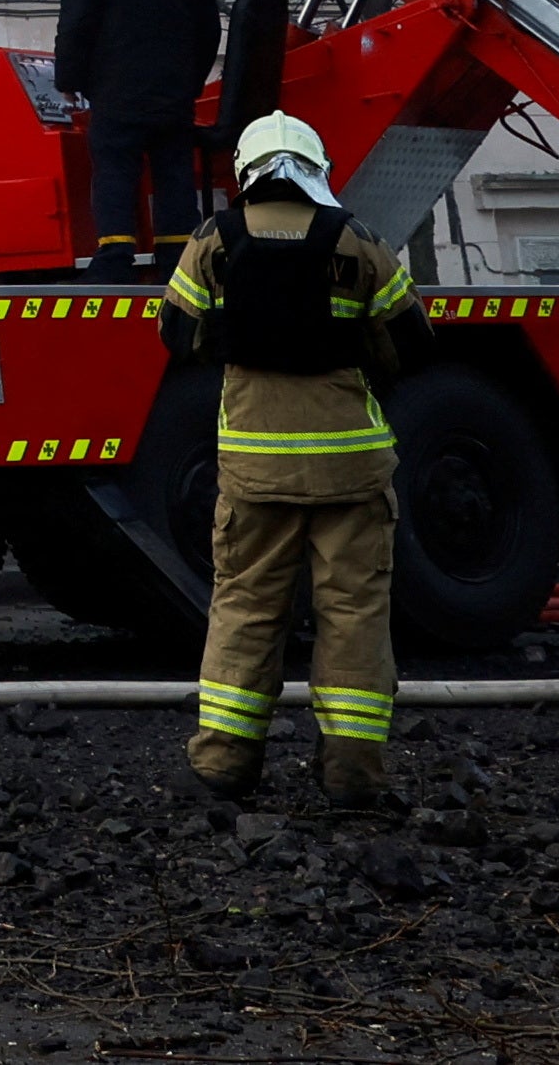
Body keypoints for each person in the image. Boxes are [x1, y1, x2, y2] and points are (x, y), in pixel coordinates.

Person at [161, 110, 428, 811]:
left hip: (254, 466)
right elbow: (409, 340)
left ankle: (222, 766)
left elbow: (176, 333)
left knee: (246, 606)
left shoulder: (213, 240)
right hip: (351, 465)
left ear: (246, 170)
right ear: (316, 167)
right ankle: (352, 777)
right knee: (354, 613)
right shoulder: (358, 241)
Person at [56, 0, 219, 277]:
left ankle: (113, 258)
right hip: (173, 100)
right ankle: (177, 264)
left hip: (117, 95)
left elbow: (76, 22)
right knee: (173, 177)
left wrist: (69, 79)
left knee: (114, 170)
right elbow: (209, 34)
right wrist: (190, 84)